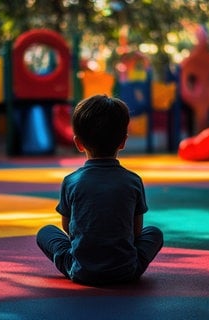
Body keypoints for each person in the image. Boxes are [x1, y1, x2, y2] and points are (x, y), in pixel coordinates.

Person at [36, 94, 163, 286]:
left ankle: (83, 257)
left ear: (78, 143)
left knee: (46, 232)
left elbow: (67, 227)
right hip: (126, 270)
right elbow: (136, 232)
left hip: (81, 271)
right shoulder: (133, 181)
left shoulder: (71, 181)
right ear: (123, 141)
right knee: (154, 233)